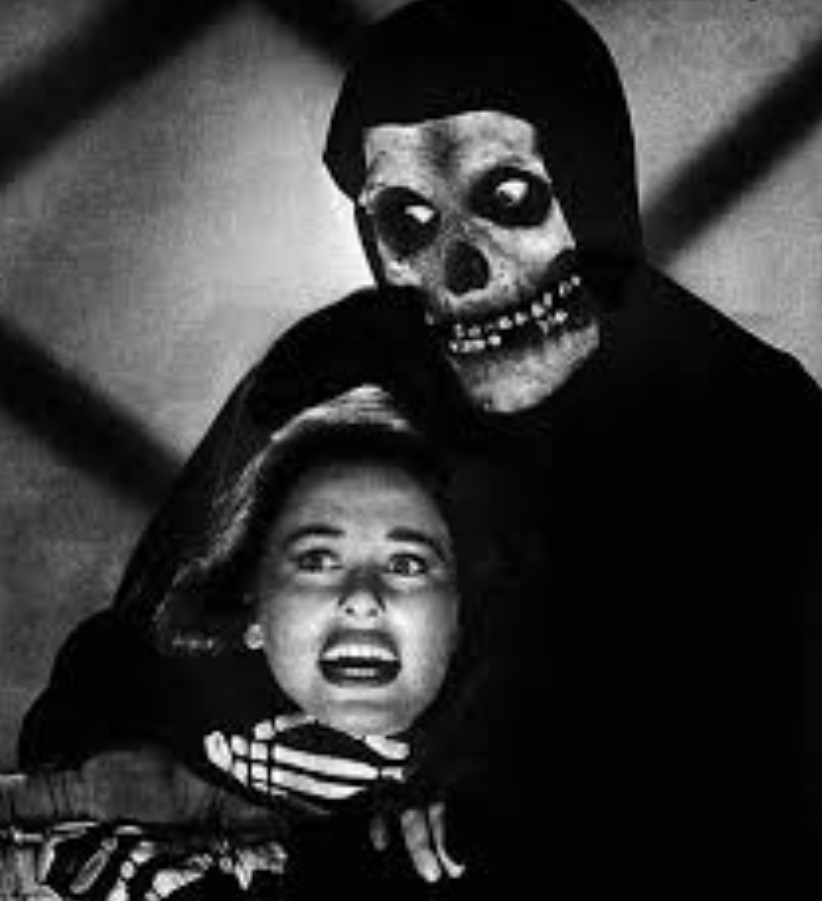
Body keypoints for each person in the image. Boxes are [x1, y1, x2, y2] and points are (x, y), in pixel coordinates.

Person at [8, 385, 482, 898]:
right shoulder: (189, 666)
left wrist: (457, 790)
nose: (362, 599)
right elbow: (102, 660)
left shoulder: (479, 718)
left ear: (459, 616)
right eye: (317, 560)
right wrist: (102, 760)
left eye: (407, 564)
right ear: (254, 609)